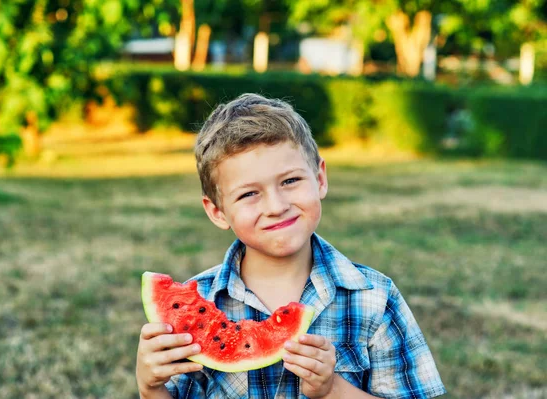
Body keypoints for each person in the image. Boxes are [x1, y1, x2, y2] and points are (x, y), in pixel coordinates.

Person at [136, 93, 447, 398]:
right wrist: (151, 389)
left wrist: (333, 390)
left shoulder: (374, 299)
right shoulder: (197, 301)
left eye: (290, 181)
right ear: (218, 212)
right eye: (249, 194)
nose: (276, 206)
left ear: (320, 178)